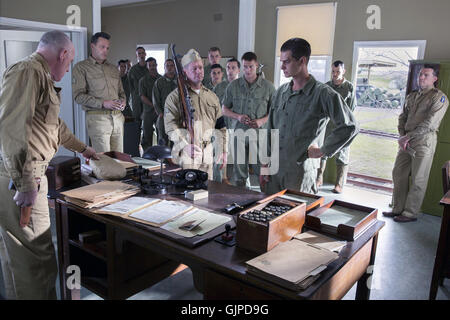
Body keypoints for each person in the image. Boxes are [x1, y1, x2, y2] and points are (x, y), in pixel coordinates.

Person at [0, 30, 97, 299]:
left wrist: (84, 149)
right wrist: (26, 183)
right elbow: (11, 129)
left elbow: (56, 126)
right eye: (69, 62)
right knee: (36, 262)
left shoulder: (40, 76)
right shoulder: (28, 71)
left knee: (21, 260)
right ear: (63, 53)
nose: (68, 70)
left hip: (27, 177)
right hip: (22, 178)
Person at [260, 38, 358, 194]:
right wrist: (265, 166)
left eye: (287, 61)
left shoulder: (323, 93)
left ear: (302, 61)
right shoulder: (280, 93)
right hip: (275, 172)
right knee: (268, 214)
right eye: (281, 61)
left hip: (300, 174)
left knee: (298, 216)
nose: (281, 66)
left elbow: (350, 126)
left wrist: (323, 150)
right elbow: (270, 131)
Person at [383, 65, 448, 223]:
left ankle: (410, 213)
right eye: (420, 74)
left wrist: (407, 137)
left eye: (426, 75)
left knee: (419, 178)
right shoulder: (412, 96)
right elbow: (402, 117)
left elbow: (430, 123)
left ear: (435, 78)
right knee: (399, 174)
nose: (421, 77)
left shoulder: (439, 98)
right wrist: (402, 136)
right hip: (406, 141)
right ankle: (397, 208)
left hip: (423, 141)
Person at [164, 49, 227, 178]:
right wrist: (184, 145)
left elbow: (221, 126)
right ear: (185, 72)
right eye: (194, 69)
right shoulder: (175, 97)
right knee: (188, 193)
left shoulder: (212, 96)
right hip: (187, 153)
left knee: (206, 192)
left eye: (200, 68)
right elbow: (170, 126)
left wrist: (223, 150)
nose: (199, 71)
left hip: (207, 153)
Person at [222, 52, 275, 188]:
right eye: (245, 67)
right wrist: (238, 116)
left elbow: (275, 112)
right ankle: (242, 199)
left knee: (263, 172)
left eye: (251, 66)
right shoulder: (233, 86)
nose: (248, 70)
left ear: (256, 65)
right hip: (239, 134)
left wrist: (261, 121)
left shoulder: (268, 87)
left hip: (260, 136)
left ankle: (264, 199)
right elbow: (224, 109)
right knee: (239, 174)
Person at [72, 32, 126, 153]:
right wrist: (103, 103)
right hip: (98, 119)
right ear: (93, 46)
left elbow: (121, 92)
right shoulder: (81, 68)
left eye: (107, 48)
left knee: (120, 159)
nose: (105, 51)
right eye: (102, 47)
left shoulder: (113, 69)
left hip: (117, 118)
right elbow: (78, 96)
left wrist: (123, 101)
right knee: (104, 160)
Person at [317, 60, 356, 193]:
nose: (335, 74)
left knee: (342, 155)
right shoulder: (326, 87)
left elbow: (351, 109)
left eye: (337, 72)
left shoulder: (349, 88)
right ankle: (318, 178)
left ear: (343, 71)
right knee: (323, 152)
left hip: (342, 127)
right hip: (327, 126)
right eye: (333, 71)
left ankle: (339, 184)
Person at [152, 58, 177, 146]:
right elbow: (155, 100)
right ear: (164, 68)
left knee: (176, 142)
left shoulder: (179, 82)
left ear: (175, 67)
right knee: (163, 141)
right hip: (163, 116)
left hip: (176, 117)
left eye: (172, 66)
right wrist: (160, 113)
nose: (170, 68)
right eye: (167, 66)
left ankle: (174, 159)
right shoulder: (159, 82)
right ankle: (163, 160)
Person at [139, 57, 161, 151]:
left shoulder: (161, 79)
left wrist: (158, 108)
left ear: (156, 65)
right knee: (147, 135)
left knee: (161, 134)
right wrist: (153, 105)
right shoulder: (143, 80)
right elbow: (142, 96)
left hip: (160, 112)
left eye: (153, 65)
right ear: (147, 67)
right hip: (148, 111)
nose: (152, 67)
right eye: (150, 65)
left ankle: (162, 156)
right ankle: (148, 156)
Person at [128, 47, 148, 122]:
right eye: (139, 53)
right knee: (137, 123)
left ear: (145, 54)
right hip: (137, 101)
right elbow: (130, 86)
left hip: (148, 100)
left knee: (148, 124)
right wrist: (135, 95)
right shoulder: (132, 70)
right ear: (136, 56)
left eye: (143, 53)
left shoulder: (150, 68)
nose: (141, 55)